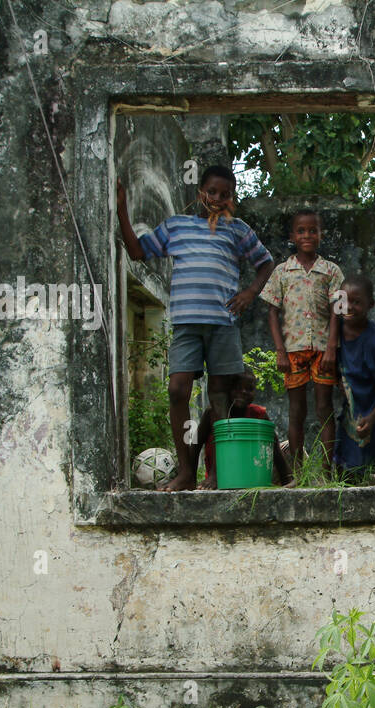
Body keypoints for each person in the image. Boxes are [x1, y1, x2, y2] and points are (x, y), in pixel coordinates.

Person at [117, 165, 274, 491]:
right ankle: (186, 471)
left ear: (232, 198)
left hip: (223, 324)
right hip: (187, 325)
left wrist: (249, 292)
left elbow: (266, 262)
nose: (217, 199)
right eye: (211, 192)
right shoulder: (177, 227)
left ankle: (215, 473)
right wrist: (121, 208)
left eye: (225, 194)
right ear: (199, 193)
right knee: (177, 390)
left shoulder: (237, 230)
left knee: (219, 400)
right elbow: (137, 251)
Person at [258, 209, 345, 479]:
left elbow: (337, 310)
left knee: (324, 409)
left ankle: (327, 472)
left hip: (322, 349)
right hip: (293, 351)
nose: (307, 235)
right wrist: (280, 351)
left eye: (312, 230)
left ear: (320, 234)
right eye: (301, 231)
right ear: (292, 236)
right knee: (296, 411)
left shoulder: (330, 270)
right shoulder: (282, 272)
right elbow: (272, 311)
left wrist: (332, 347)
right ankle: (297, 474)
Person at [197, 368, 294, 489]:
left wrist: (286, 478)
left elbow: (274, 447)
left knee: (286, 446)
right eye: (237, 388)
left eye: (249, 389)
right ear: (227, 389)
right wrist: (195, 475)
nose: (243, 392)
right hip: (221, 477)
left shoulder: (259, 414)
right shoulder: (212, 414)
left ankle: (290, 478)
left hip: (254, 474)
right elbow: (196, 444)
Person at [333, 275, 375, 480]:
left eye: (356, 302)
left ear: (370, 304)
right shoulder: (334, 333)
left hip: (372, 414)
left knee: (368, 471)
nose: (349, 307)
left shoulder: (373, 341)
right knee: (344, 470)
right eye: (344, 301)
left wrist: (372, 419)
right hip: (349, 414)